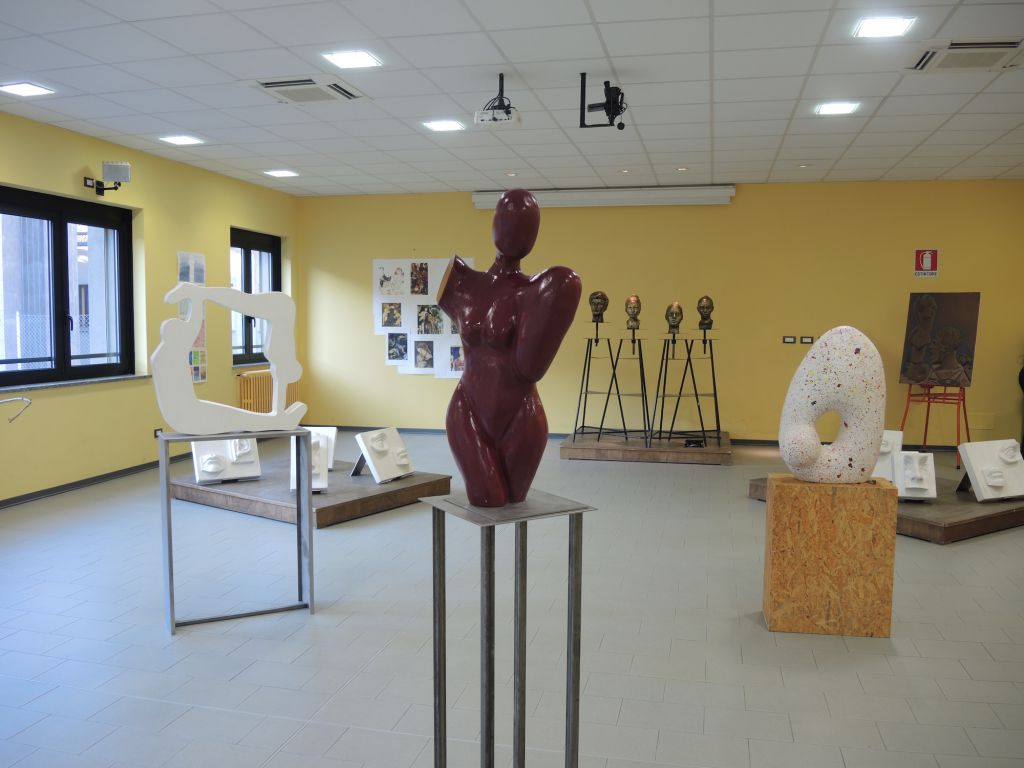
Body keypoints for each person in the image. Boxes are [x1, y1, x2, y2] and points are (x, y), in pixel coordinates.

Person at [438, 189, 581, 506]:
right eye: (506, 218)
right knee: (488, 498)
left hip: (522, 417)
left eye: (528, 225)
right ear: (493, 224)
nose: (516, 230)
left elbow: (531, 368)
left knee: (514, 503)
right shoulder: (461, 283)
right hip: (469, 410)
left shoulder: (538, 291)